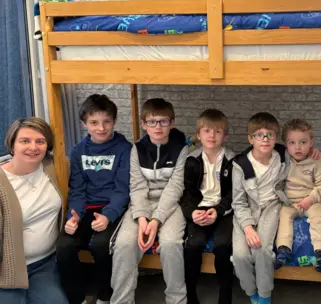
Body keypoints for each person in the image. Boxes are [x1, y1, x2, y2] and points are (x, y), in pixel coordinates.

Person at [110, 98, 189, 304]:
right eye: (152, 122)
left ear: (172, 123)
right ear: (144, 124)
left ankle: (177, 300)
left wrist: (157, 220)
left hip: (170, 205)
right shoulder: (136, 149)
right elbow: (136, 187)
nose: (158, 127)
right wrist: (143, 217)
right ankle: (121, 301)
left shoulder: (180, 149)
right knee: (124, 244)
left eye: (163, 121)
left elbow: (175, 188)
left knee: (171, 243)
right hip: (141, 204)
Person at [56, 94, 132, 304]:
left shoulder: (124, 149)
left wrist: (108, 216)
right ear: (84, 124)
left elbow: (122, 189)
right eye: (94, 122)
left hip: (112, 209)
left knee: (101, 245)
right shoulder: (78, 151)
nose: (101, 128)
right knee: (64, 247)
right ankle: (77, 297)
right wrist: (75, 216)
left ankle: (104, 296)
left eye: (106, 121)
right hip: (85, 208)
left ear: (114, 121)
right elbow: (77, 189)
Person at [0, 117, 68, 304]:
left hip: (45, 264)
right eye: (25, 141)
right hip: (7, 271)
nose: (33, 147)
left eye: (40, 141)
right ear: (12, 145)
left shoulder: (55, 167)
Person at [231, 112, 290, 304]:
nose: (265, 139)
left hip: (271, 207)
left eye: (270, 134)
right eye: (259, 135)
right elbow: (238, 202)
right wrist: (248, 228)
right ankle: (251, 292)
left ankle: (265, 295)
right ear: (251, 138)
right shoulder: (241, 165)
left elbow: (302, 152)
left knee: (262, 250)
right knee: (240, 255)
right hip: (247, 209)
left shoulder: (282, 155)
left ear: (276, 137)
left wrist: (315, 154)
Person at [180, 109, 235, 304]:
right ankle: (191, 292)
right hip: (200, 209)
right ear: (199, 135)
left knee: (222, 246)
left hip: (223, 210)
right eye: (207, 131)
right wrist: (192, 213)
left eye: (218, 131)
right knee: (193, 245)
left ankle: (225, 292)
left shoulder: (232, 161)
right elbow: (187, 193)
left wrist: (219, 211)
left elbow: (234, 193)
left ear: (225, 135)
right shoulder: (191, 160)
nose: (212, 136)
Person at [274, 118, 321, 273]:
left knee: (320, 215)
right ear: (286, 144)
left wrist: (310, 199)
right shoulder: (282, 161)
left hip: (311, 200)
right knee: (283, 216)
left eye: (303, 142)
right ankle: (283, 249)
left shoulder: (316, 162)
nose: (297, 147)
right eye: (292, 143)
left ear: (311, 142)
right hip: (289, 202)